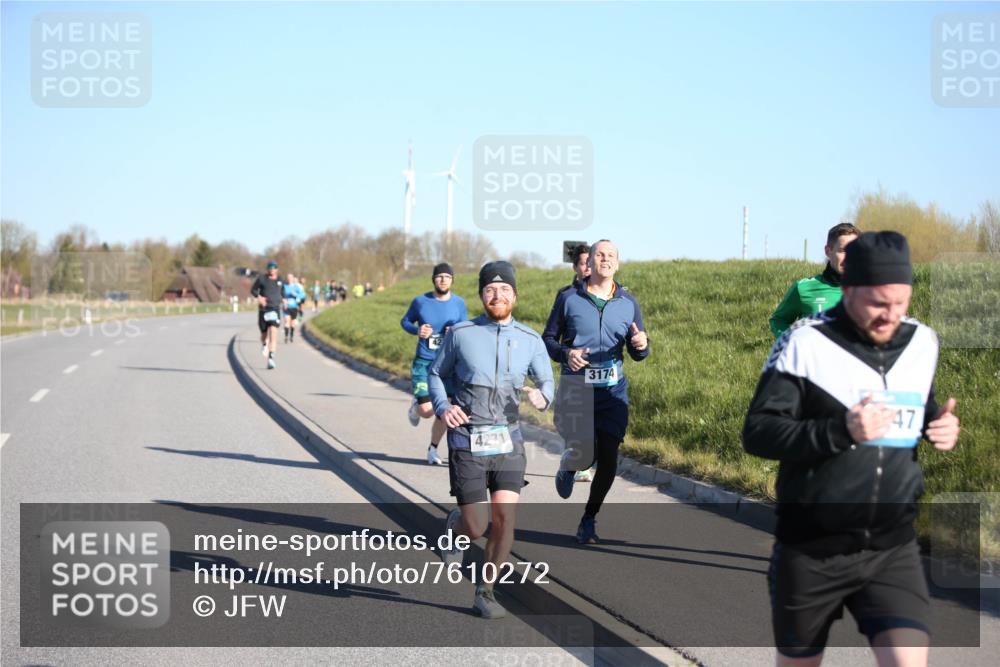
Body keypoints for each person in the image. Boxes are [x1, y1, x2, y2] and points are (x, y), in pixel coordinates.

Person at [743, 231, 960, 667]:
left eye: (901, 304)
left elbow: (920, 408)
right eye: (879, 303)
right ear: (849, 289)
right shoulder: (805, 343)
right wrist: (841, 430)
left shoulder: (922, 342)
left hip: (891, 546)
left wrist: (939, 425)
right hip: (812, 546)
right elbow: (759, 432)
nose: (891, 316)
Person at [429, 261, 554, 619]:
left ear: (514, 295)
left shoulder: (530, 340)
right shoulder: (461, 333)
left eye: (504, 290)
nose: (497, 295)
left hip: (508, 438)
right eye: (490, 290)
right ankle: (456, 526)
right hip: (468, 436)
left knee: (505, 518)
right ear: (481, 295)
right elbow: (436, 373)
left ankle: (486, 592)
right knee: (476, 526)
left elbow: (547, 382)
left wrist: (544, 398)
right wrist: (442, 406)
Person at [543, 240, 650, 544]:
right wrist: (567, 353)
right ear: (589, 262)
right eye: (600, 254)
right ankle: (569, 465)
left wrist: (642, 346)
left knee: (609, 458)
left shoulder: (628, 303)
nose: (605, 259)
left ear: (617, 263)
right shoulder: (568, 299)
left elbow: (638, 349)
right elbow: (548, 339)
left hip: (613, 391)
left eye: (611, 256)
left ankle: (589, 518)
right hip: (577, 389)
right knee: (582, 453)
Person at [400, 263, 468, 465]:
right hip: (424, 362)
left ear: (452, 280)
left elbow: (463, 327)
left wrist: (454, 331)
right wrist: (417, 331)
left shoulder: (459, 303)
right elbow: (405, 321)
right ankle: (416, 405)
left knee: (442, 410)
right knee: (426, 411)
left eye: (447, 276)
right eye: (439, 276)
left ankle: (433, 449)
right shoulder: (421, 302)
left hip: (447, 365)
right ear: (434, 279)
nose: (443, 280)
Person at [770, 223, 860, 338]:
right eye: (842, 250)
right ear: (828, 251)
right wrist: (790, 342)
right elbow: (778, 320)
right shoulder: (804, 288)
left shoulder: (868, 291)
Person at [250, 260, 283, 369]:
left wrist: (285, 300)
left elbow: (283, 293)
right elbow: (254, 291)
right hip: (264, 310)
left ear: (277, 269)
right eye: (270, 267)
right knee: (264, 334)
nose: (272, 269)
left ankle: (271, 359)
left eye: (274, 267)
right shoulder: (262, 279)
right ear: (267, 269)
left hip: (275, 309)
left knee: (274, 332)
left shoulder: (280, 280)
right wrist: (259, 298)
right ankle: (264, 344)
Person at [281, 273, 306, 343]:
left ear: (292, 279)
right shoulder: (284, 286)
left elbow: (302, 295)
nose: (289, 279)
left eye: (290, 277)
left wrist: (296, 295)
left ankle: (291, 336)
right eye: (288, 277)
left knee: (292, 323)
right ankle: (286, 336)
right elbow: (281, 295)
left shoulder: (296, 287)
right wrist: (283, 300)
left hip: (294, 307)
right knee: (286, 321)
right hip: (286, 307)